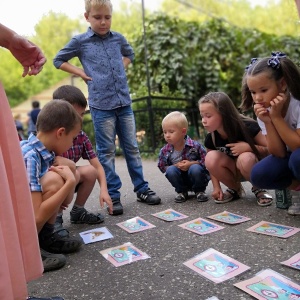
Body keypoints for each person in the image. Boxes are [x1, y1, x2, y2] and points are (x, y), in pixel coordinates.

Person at [53, 0, 161, 215]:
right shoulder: (80, 42)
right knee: (106, 152)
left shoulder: (118, 38)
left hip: (124, 103)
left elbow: (130, 54)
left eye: (107, 17)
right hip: (101, 106)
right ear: (87, 17)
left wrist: (121, 67)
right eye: (97, 17)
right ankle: (113, 194)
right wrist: (81, 73)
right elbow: (58, 60)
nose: (103, 22)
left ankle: (141, 188)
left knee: (132, 148)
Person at [0, 23, 64, 300]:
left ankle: (13, 292)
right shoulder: (31, 154)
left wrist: (11, 39)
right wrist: (70, 180)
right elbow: (35, 212)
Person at [21, 100, 84, 272]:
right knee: (56, 180)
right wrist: (70, 182)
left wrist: (70, 168)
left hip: (26, 217)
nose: (72, 144)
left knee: (60, 176)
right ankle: (28, 252)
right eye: (73, 138)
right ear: (61, 133)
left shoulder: (46, 152)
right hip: (13, 224)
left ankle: (46, 238)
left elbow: (65, 200)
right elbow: (36, 216)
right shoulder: (30, 156)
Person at [240, 51, 300, 215]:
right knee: (259, 174)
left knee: (297, 158)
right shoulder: (263, 111)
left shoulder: (297, 104)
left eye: (263, 90)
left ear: (282, 84)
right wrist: (268, 121)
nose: (257, 98)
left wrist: (277, 117)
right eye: (253, 92)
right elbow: (278, 152)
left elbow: (297, 145)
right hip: (291, 156)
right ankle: (298, 191)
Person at [52, 85, 113, 236]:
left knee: (89, 171)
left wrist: (104, 190)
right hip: (51, 184)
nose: (79, 120)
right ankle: (54, 220)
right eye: (74, 115)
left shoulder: (81, 136)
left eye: (82, 114)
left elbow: (97, 166)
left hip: (71, 178)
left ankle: (78, 212)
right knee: (66, 173)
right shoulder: (51, 134)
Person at [199, 91, 273, 206]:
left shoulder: (247, 127)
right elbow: (210, 166)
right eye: (202, 116)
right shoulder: (212, 137)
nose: (204, 120)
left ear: (223, 114)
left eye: (208, 116)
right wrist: (216, 187)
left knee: (246, 158)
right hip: (233, 170)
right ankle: (234, 189)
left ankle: (259, 188)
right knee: (210, 157)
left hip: (254, 167)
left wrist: (249, 147)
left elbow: (271, 149)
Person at [157, 111, 210, 203]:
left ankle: (200, 191)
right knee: (170, 170)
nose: (167, 135)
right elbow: (162, 167)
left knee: (195, 168)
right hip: (180, 179)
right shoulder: (164, 150)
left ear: (183, 131)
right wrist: (175, 166)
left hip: (196, 177)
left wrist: (192, 163)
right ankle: (181, 192)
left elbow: (207, 161)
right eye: (165, 132)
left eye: (171, 132)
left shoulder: (195, 146)